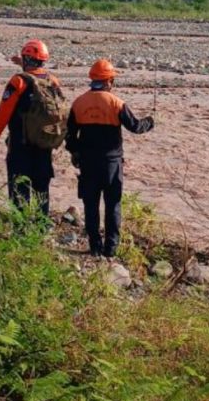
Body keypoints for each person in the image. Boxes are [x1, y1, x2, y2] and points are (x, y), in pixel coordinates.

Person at [65, 59, 155, 257]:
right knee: (112, 204)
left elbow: (69, 136)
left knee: (90, 205)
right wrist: (150, 121)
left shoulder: (79, 103)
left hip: (88, 163)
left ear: (92, 79)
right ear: (109, 81)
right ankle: (111, 249)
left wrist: (75, 153)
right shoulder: (117, 103)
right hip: (112, 163)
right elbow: (135, 127)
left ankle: (95, 247)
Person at [0, 39, 67, 218]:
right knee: (41, 191)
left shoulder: (18, 82)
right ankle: (41, 228)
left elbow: (2, 116)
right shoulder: (53, 81)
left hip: (20, 148)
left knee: (19, 192)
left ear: (26, 58)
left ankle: (20, 232)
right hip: (44, 146)